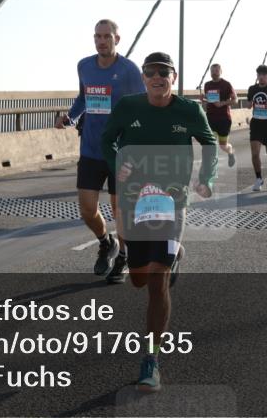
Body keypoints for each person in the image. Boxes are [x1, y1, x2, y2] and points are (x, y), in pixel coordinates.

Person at [101, 52, 217, 392]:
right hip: (134, 199)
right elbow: (107, 139)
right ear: (143, 78)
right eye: (150, 72)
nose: (157, 77)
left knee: (156, 279)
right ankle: (174, 254)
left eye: (163, 72)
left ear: (174, 77)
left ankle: (151, 359)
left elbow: (209, 143)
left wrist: (206, 178)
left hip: (172, 200)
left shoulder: (189, 110)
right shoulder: (128, 107)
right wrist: (116, 162)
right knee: (137, 278)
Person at [55, 19, 144, 284]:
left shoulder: (129, 70)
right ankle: (107, 242)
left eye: (106, 36)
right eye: (97, 36)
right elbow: (83, 98)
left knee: (120, 212)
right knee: (87, 210)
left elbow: (141, 106)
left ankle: (124, 258)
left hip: (121, 151)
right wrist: (70, 118)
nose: (101, 41)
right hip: (92, 148)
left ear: (118, 39)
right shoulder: (84, 66)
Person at [201, 64, 237, 168]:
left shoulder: (226, 84)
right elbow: (209, 100)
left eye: (216, 70)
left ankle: (230, 152)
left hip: (224, 119)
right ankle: (210, 166)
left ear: (221, 72)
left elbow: (235, 100)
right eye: (212, 70)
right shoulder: (207, 85)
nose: (214, 72)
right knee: (210, 144)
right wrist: (203, 99)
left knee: (223, 145)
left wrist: (222, 103)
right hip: (210, 118)